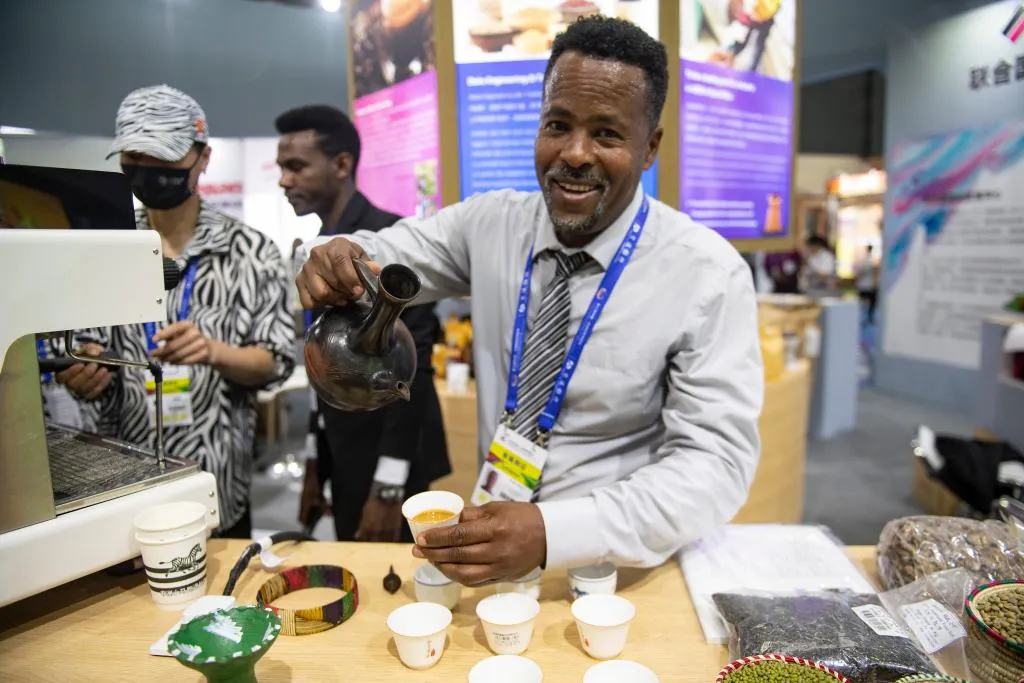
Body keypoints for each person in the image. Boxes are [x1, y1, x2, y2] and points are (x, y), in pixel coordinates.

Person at [295, 17, 763, 585]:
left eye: (607, 134)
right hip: (492, 545)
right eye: (557, 125)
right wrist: (329, 256)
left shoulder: (705, 274)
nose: (575, 153)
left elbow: (716, 465)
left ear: (650, 148)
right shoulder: (491, 225)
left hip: (612, 567)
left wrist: (553, 532)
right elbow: (379, 253)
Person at [57, 84, 296, 539]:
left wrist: (214, 352)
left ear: (202, 158)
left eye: (163, 159)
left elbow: (276, 362)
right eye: (135, 158)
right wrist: (84, 368)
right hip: (121, 484)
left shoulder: (251, 252)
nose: (147, 172)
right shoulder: (104, 249)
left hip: (217, 484)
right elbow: (81, 348)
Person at [274, 104, 450, 543]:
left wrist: (388, 487)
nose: (284, 180)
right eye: (281, 168)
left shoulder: (391, 240)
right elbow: (322, 361)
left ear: (341, 165)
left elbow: (416, 367)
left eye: (296, 166)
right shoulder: (319, 252)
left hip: (391, 461)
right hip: (342, 453)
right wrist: (315, 461)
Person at [855, 244, 879, 323]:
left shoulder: (863, 260)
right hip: (869, 285)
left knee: (862, 302)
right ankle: (869, 317)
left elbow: (858, 272)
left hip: (863, 285)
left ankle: (861, 317)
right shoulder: (872, 260)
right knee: (871, 303)